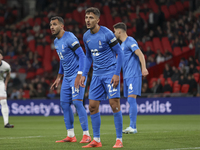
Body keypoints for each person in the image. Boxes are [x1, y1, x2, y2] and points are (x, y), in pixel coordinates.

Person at [80, 7, 124, 148]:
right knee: (92, 107)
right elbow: (88, 57)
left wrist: (116, 73)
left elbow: (120, 53)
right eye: (86, 17)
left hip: (110, 73)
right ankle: (97, 140)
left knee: (114, 104)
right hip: (97, 75)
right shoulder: (86, 36)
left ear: (98, 20)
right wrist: (84, 74)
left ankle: (119, 140)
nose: (88, 20)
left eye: (91, 17)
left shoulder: (107, 34)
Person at [49, 16, 91, 143]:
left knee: (77, 103)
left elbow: (82, 56)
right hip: (67, 77)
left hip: (77, 75)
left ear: (62, 26)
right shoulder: (56, 41)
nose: (52, 27)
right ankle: (71, 135)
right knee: (64, 104)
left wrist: (80, 74)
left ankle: (86, 135)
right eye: (50, 25)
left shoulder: (70, 37)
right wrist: (59, 76)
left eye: (54, 24)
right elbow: (63, 59)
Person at [113, 22, 149, 134]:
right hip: (127, 76)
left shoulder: (130, 41)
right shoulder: (122, 45)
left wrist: (144, 68)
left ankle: (133, 127)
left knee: (131, 99)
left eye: (114, 31)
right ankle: (131, 126)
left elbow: (140, 54)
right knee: (129, 100)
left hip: (134, 74)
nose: (114, 33)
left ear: (119, 30)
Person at [0, 50, 14, 128]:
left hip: (0, 82)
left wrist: (5, 84)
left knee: (4, 102)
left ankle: (6, 123)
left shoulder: (6, 66)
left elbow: (8, 74)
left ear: (2, 57)